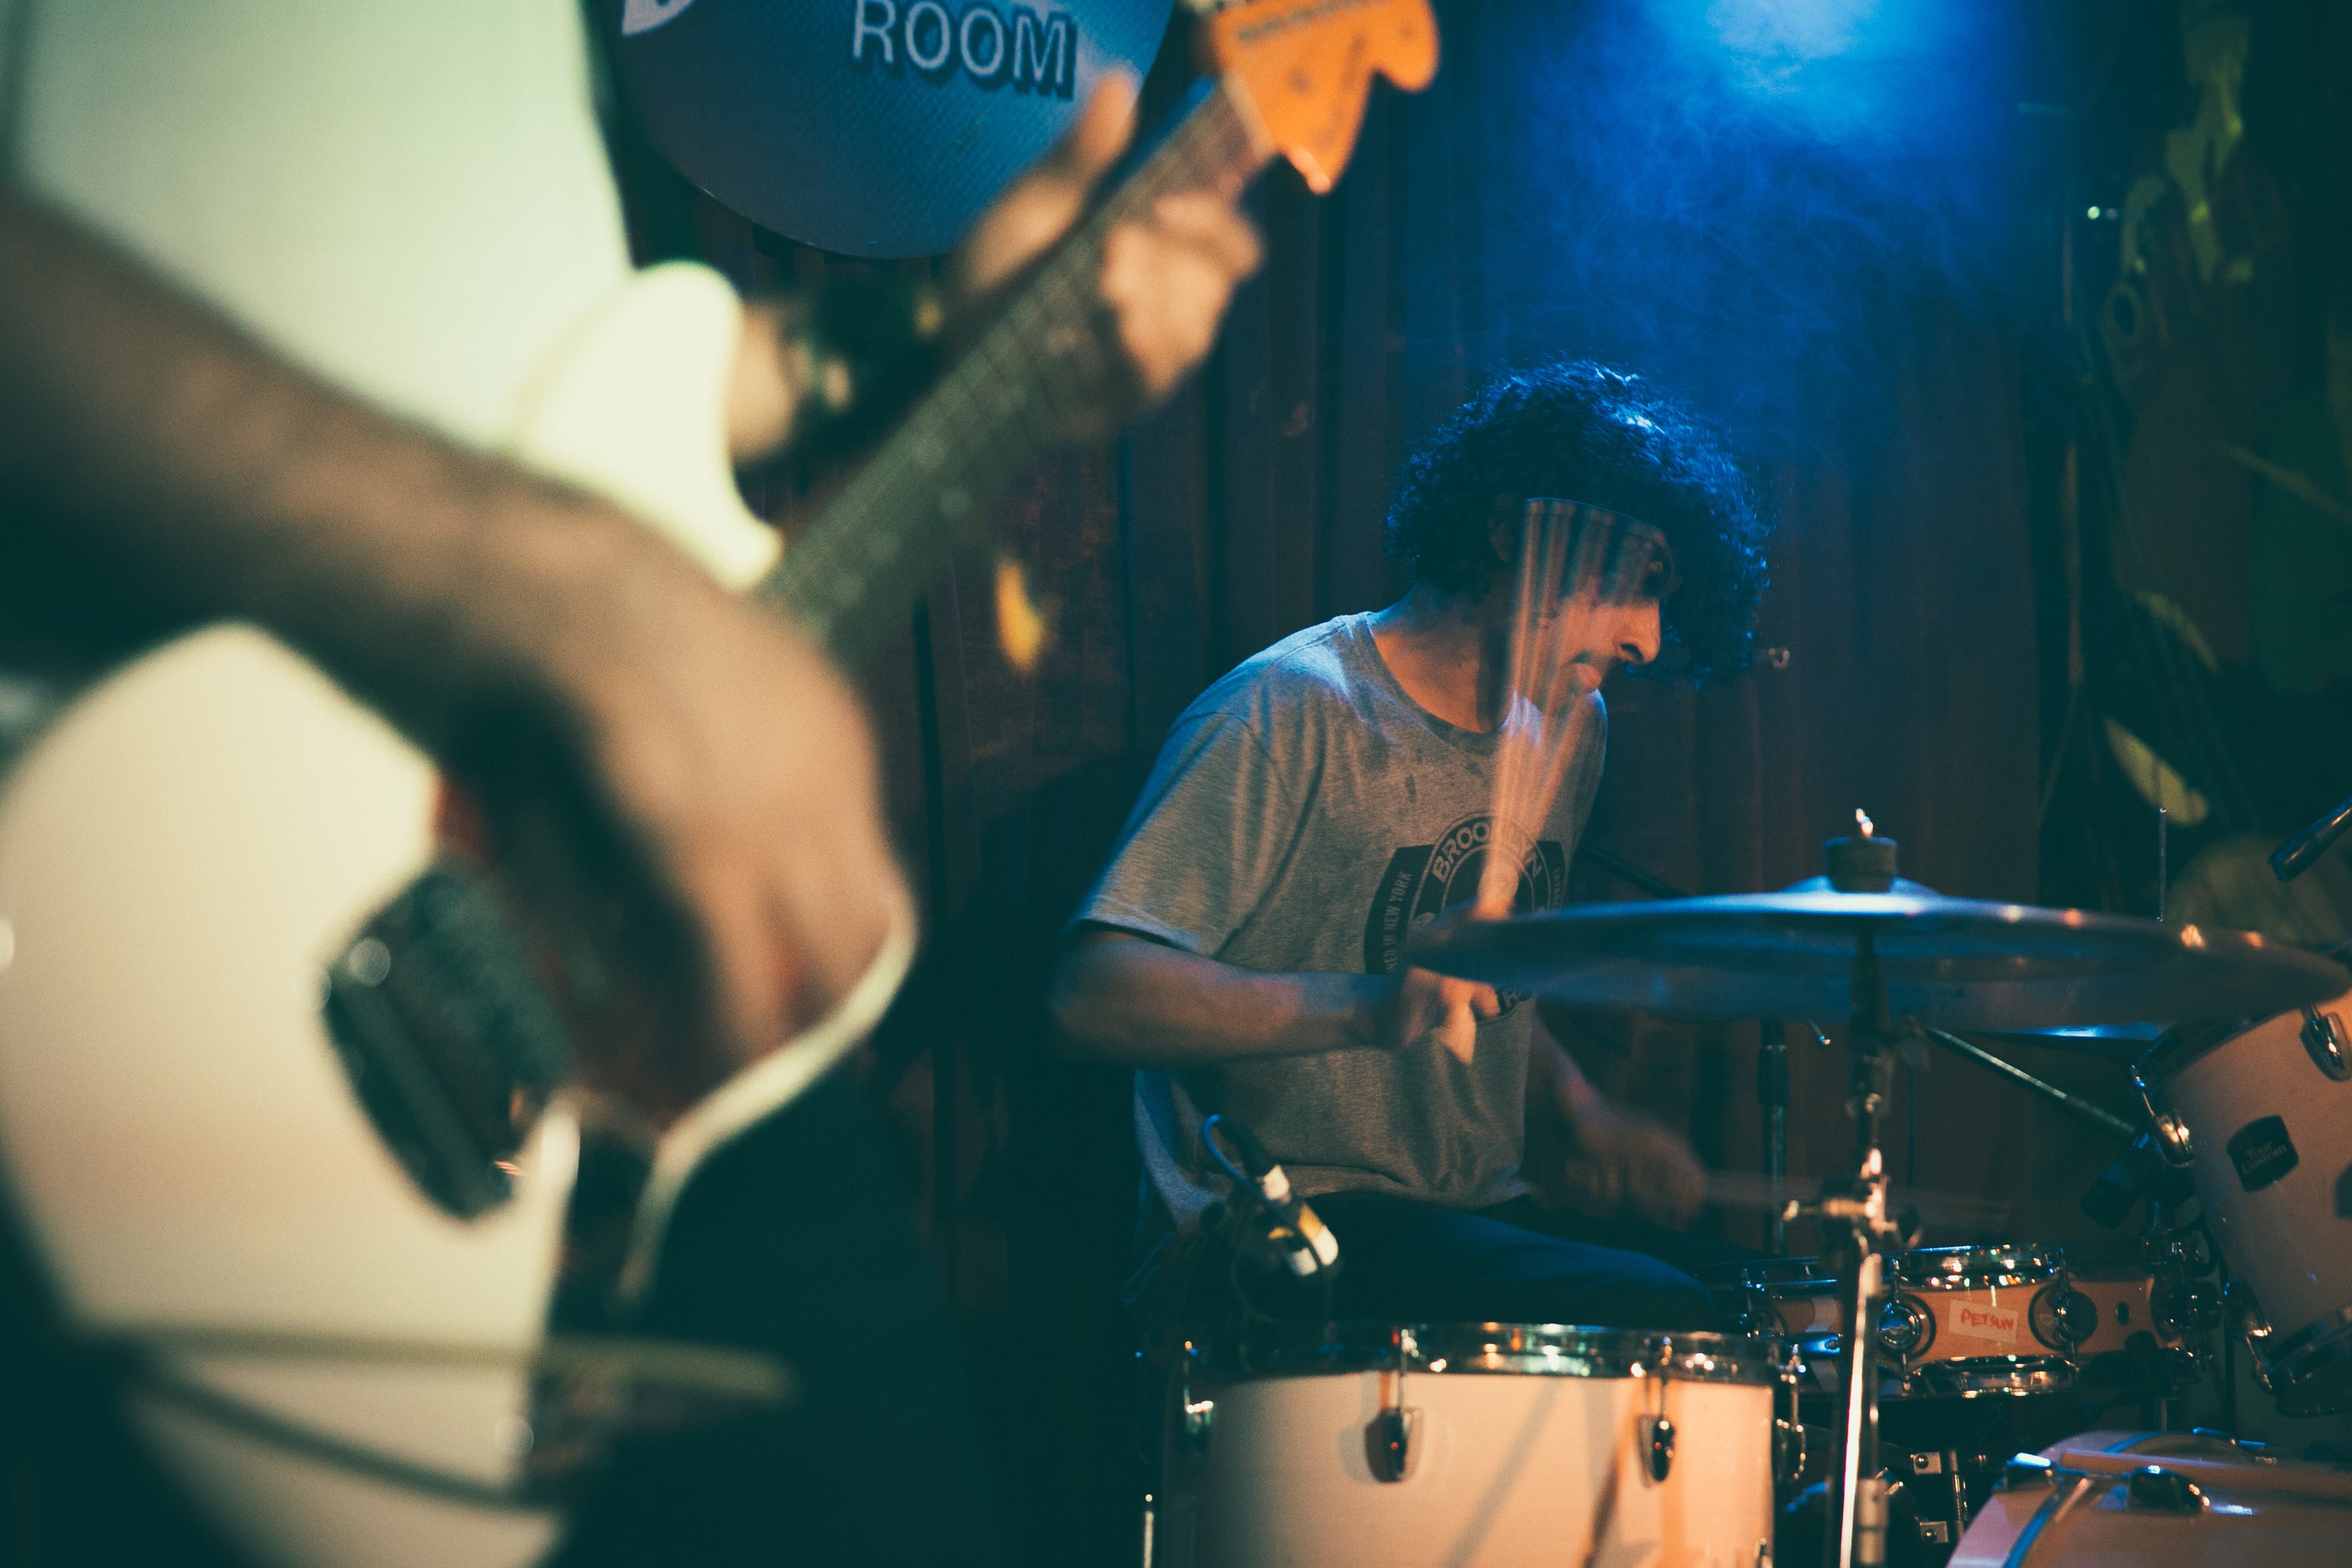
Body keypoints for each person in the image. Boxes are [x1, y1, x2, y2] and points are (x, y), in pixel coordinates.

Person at [0, 4, 1258, 1561]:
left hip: (604, 971)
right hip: (177, 902)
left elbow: (489, 327)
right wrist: (577, 599)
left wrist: (939, 325)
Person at [1050, 361, 1771, 1334]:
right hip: (1276, 1231)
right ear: (1515, 532)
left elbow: (1482, 983)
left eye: (1664, 600)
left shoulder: (1571, 726)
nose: (1647, 637)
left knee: (1780, 1306)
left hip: (1475, 1216)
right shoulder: (1294, 708)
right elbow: (1091, 997)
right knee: (1657, 1310)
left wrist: (1576, 1107)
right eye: (1633, 585)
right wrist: (1363, 1005)